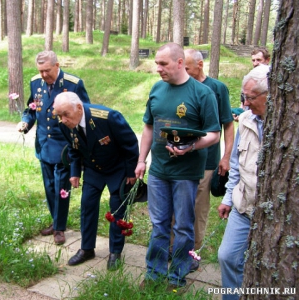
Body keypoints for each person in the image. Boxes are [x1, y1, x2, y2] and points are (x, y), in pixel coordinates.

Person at [135, 43, 221, 289]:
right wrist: (142, 161)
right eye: (157, 64)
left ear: (180, 62)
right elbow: (149, 126)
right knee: (159, 224)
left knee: (183, 226)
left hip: (186, 173)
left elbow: (214, 134)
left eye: (163, 64)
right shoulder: (156, 89)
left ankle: (177, 277)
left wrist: (189, 147)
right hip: (159, 171)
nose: (158, 69)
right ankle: (154, 274)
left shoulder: (202, 94)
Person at [53, 91, 139, 270]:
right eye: (58, 115)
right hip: (93, 170)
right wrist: (75, 172)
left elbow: (130, 143)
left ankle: (115, 252)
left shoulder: (108, 117)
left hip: (117, 169)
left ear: (78, 108)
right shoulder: (65, 124)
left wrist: (131, 171)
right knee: (87, 206)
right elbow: (73, 148)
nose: (62, 120)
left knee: (117, 212)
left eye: (65, 114)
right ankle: (87, 248)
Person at [17, 51, 90, 245]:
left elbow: (85, 112)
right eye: (40, 71)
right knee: (49, 187)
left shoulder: (72, 84)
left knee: (61, 187)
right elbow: (32, 108)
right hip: (44, 144)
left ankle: (59, 227)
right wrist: (25, 122)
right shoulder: (36, 83)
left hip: (64, 146)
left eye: (47, 71)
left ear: (57, 65)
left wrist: (80, 144)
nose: (43, 75)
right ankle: (56, 220)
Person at [218, 64, 269, 300]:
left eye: (249, 98)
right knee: (227, 256)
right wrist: (228, 199)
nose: (245, 104)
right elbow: (237, 165)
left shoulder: (286, 125)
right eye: (243, 97)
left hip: (272, 213)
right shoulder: (246, 120)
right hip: (243, 205)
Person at [184, 49, 234, 271]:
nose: (182, 72)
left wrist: (227, 156)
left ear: (200, 64)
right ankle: (175, 248)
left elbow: (228, 123)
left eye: (186, 68)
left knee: (198, 207)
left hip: (207, 160)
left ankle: (193, 251)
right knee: (179, 206)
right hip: (181, 159)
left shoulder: (217, 88)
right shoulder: (180, 86)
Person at [233, 47, 270, 121]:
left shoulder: (271, 79)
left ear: (267, 60)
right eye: (253, 60)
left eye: (259, 60)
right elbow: (243, 103)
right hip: (249, 120)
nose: (255, 63)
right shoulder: (248, 78)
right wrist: (240, 114)